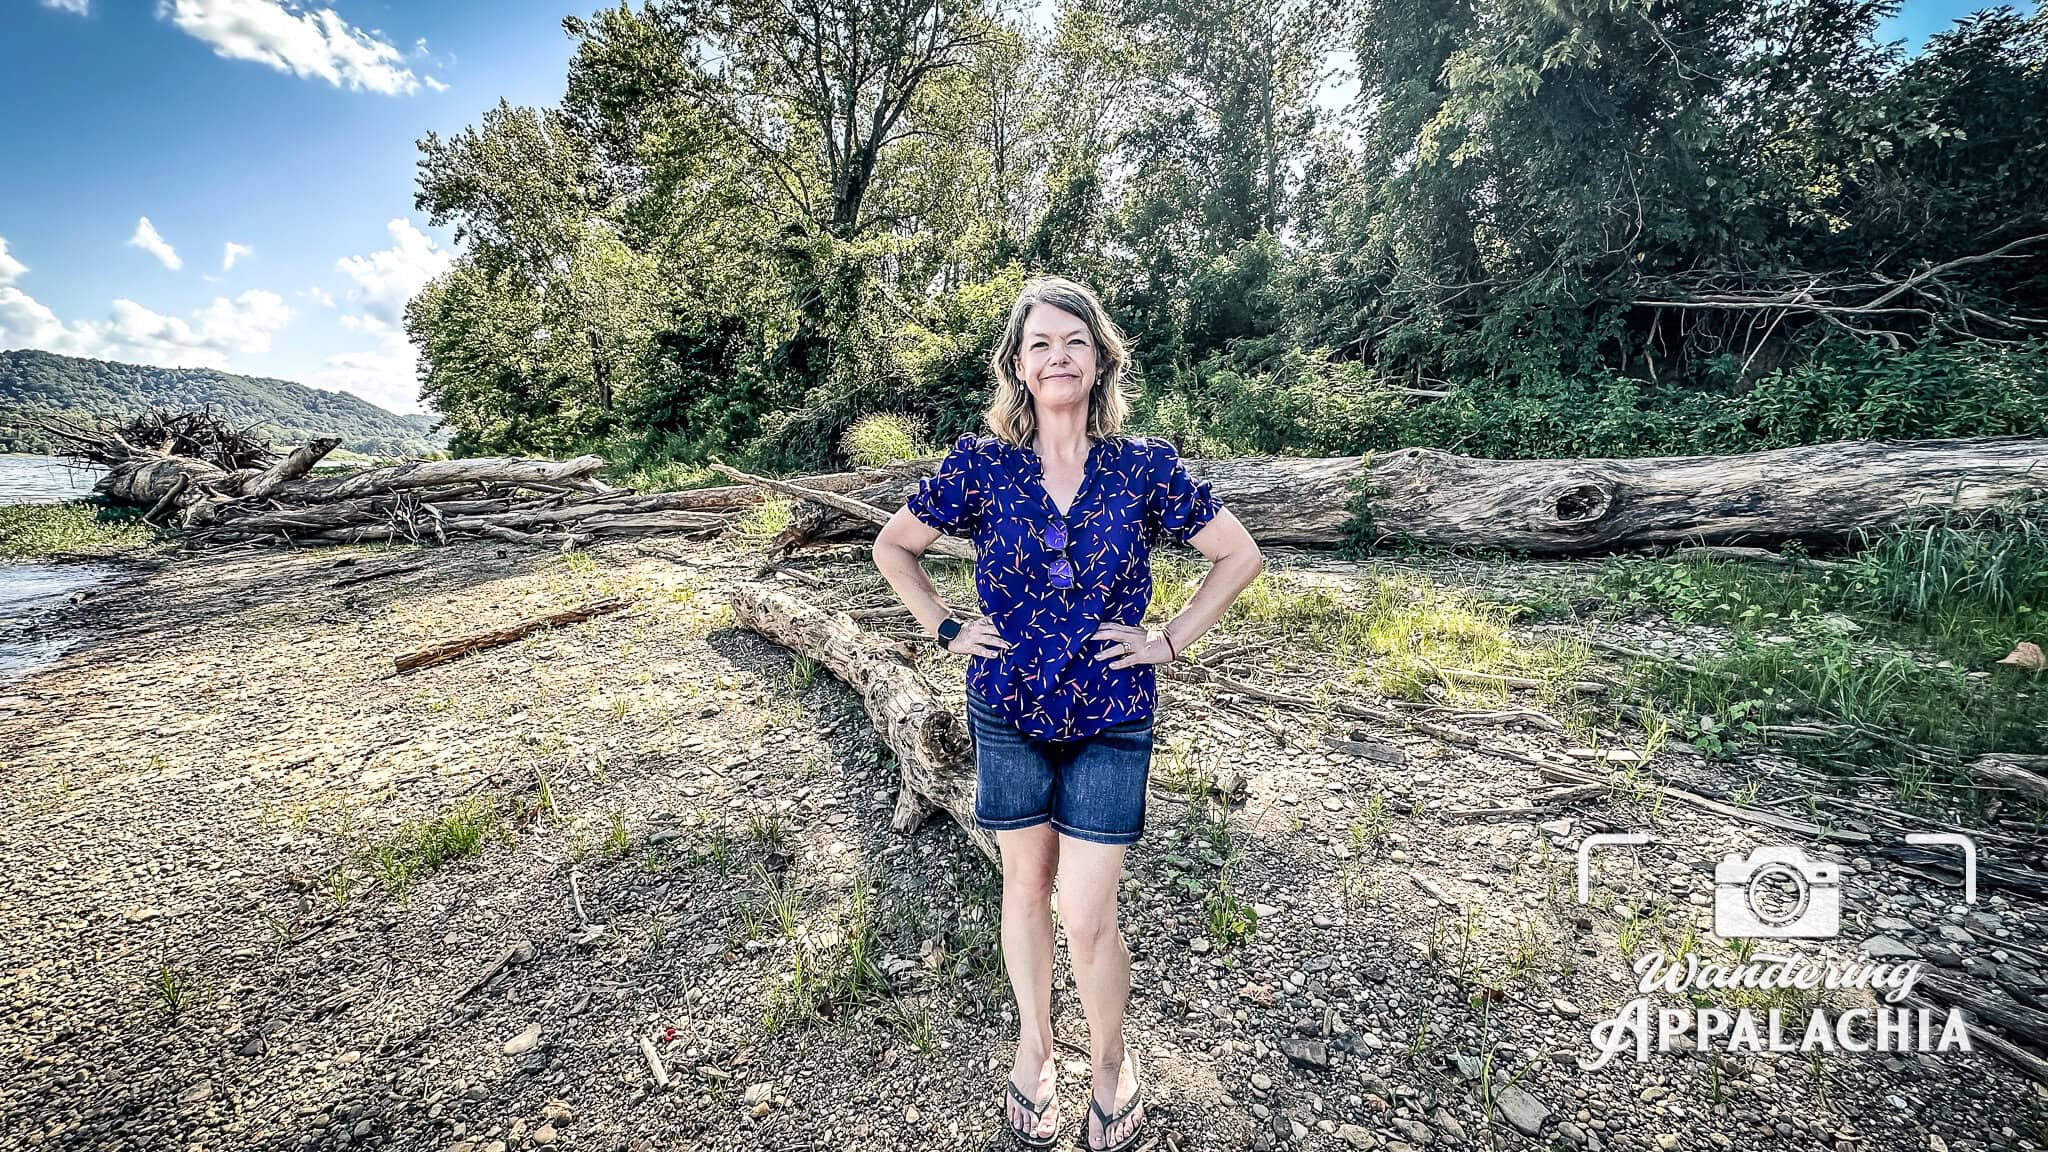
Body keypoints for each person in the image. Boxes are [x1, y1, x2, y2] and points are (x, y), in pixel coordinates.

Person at [872, 275, 1265, 1151]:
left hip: (1111, 716)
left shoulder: (1144, 467)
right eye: (1042, 343)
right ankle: (1036, 1044)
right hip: (1006, 709)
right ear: (1017, 365)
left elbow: (1238, 557)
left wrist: (1168, 641)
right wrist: (943, 626)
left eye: (1076, 342)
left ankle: (1113, 1060)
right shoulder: (980, 465)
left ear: (1100, 361)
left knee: (1088, 916)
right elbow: (892, 547)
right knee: (1025, 886)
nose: (1059, 356)